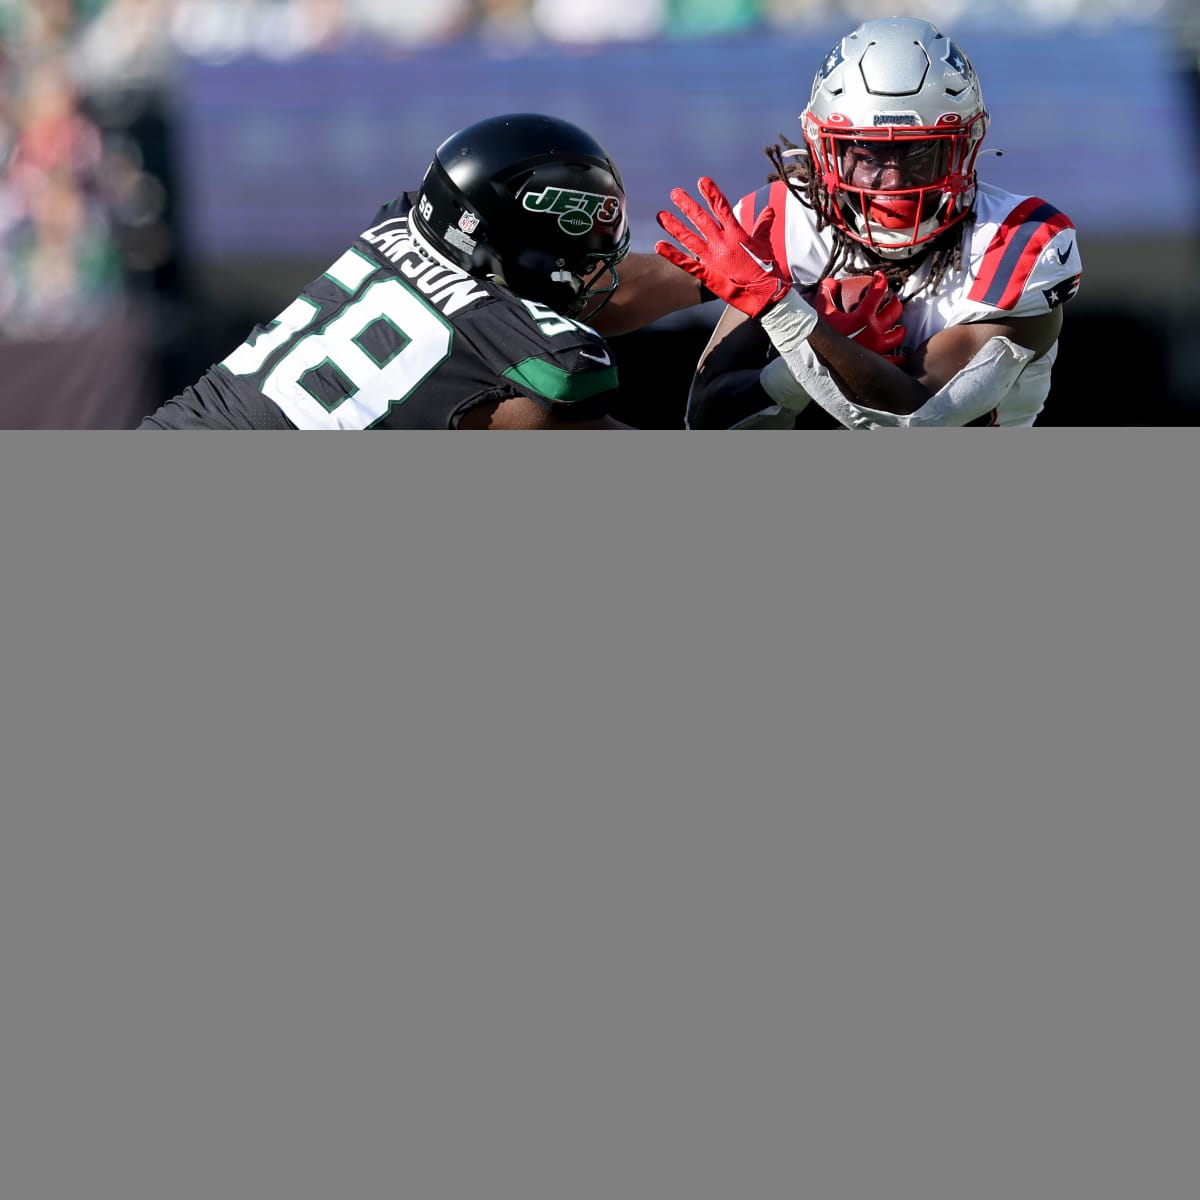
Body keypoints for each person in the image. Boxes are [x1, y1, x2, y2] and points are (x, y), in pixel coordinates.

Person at [647, 16, 1083, 428]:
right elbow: (706, 420)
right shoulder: (784, 220)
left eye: (920, 154)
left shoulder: (1018, 241)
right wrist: (805, 357)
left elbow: (919, 419)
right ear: (822, 148)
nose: (892, 182)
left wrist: (789, 318)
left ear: (966, 145)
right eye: (867, 154)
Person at [139, 112, 634, 428]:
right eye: (583, 263)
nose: (597, 277)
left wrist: (700, 276)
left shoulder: (397, 231)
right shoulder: (514, 353)